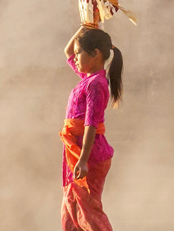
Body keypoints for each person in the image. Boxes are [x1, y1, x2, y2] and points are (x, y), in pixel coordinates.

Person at [61, 26, 123, 231]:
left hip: (89, 153)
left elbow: (91, 124)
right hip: (76, 150)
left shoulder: (96, 84)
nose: (75, 57)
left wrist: (84, 160)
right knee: (72, 206)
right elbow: (67, 52)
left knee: (89, 211)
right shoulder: (88, 79)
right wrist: (85, 24)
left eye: (81, 53)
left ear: (95, 54)